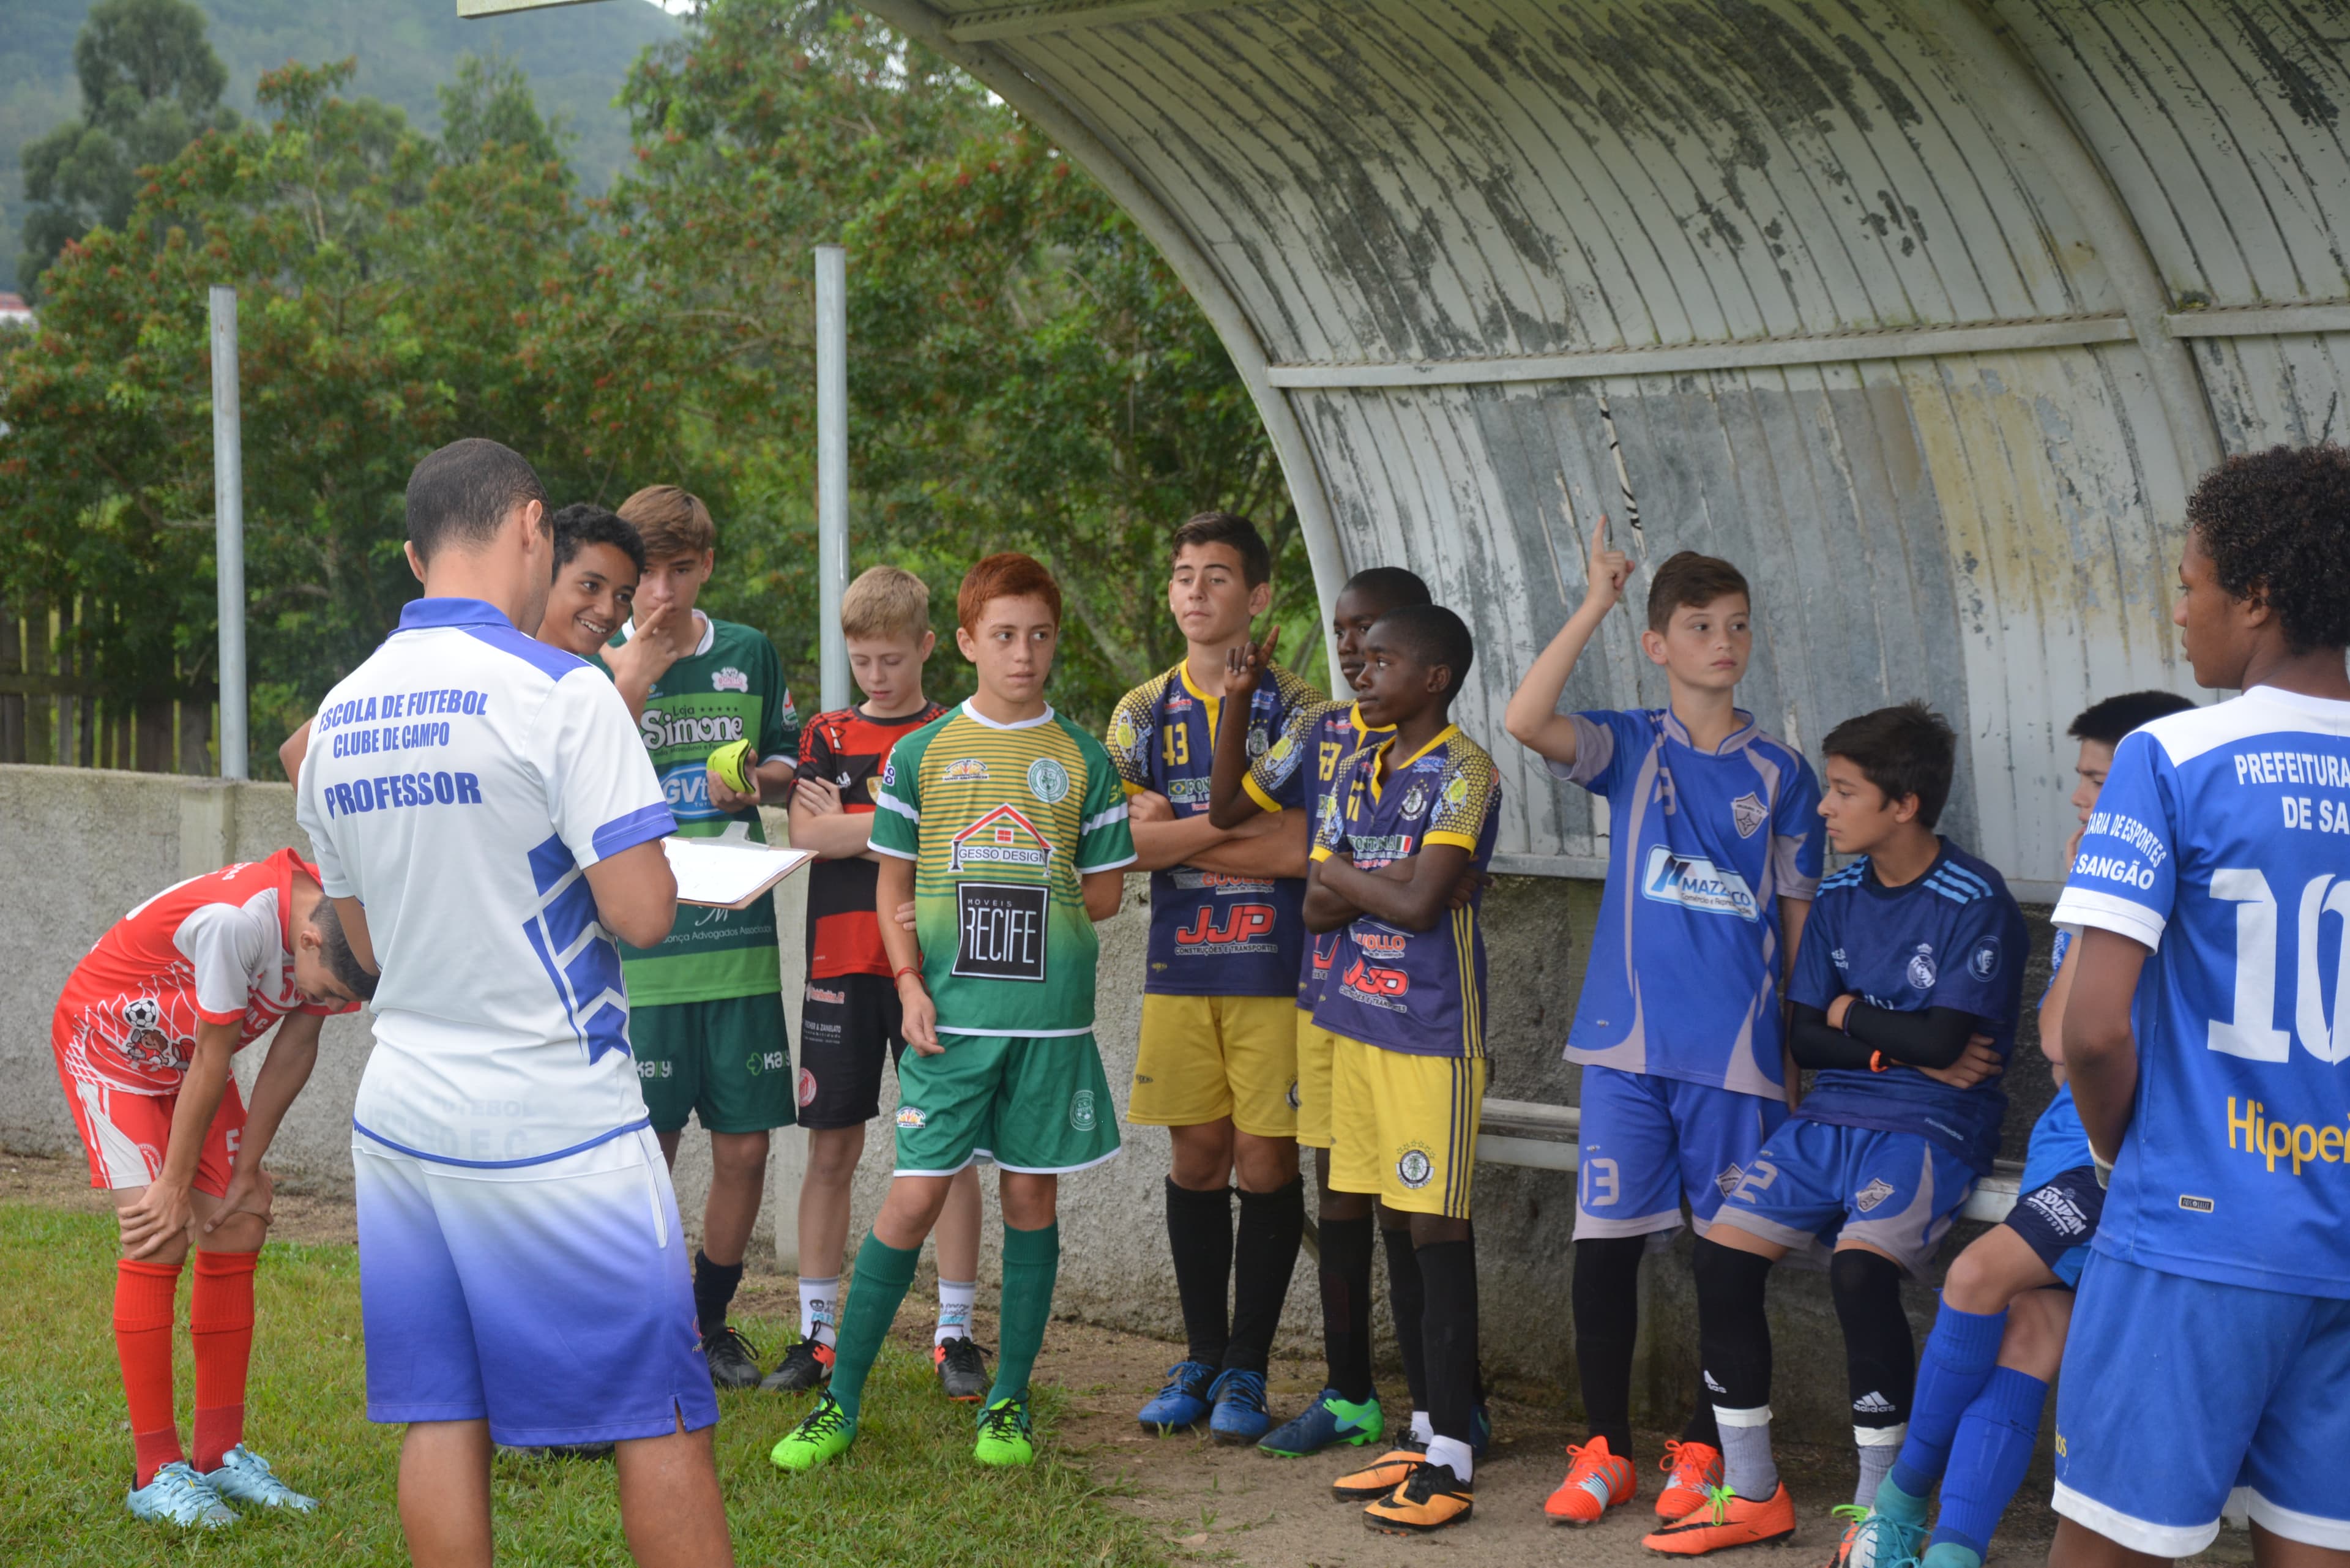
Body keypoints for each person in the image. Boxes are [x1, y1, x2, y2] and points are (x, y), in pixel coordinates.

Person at [295, 438, 733, 1567]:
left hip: (404, 1111)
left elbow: (363, 949)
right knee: (659, 1407)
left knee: (442, 1408)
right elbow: (643, 913)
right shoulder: (563, 691)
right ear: (534, 525)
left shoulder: (337, 715)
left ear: (415, 555)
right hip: (556, 1113)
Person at [2049, 445, 2350, 1568]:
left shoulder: (2170, 755)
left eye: (2191, 584)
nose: (2180, 613)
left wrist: (2123, 1154)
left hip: (2194, 1233)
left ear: (2257, 596)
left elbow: (2091, 1027)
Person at [769, 552, 1135, 1474]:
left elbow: (1103, 895)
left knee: (1030, 1196)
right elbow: (892, 881)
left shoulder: (1084, 757)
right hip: (949, 1019)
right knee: (914, 1194)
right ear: (967, 642)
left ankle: (1007, 1402)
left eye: (1040, 636)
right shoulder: (923, 753)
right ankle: (840, 1402)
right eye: (1004, 635)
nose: (1024, 654)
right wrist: (910, 982)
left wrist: (1025, 896)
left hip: (1049, 1025)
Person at [1646, 703, 2026, 1555]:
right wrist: (1891, 1041)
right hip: (1830, 1114)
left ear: (1905, 805)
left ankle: (1877, 1511)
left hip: (1932, 1123)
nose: (1824, 806)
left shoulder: (1976, 899)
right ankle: (1753, 1492)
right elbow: (1805, 1036)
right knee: (1720, 1257)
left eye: (1846, 791)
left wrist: (1854, 1017)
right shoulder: (1842, 892)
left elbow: (1947, 1045)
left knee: (1860, 1274)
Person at [1502, 521, 1823, 1527]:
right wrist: (1596, 600)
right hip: (1626, 1050)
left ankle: (1703, 1448)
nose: (1723, 641)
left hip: (1737, 1057)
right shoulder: (1632, 744)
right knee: (1605, 1249)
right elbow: (1524, 718)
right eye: (1699, 625)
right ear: (1657, 644)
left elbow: (1798, 921)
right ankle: (1605, 1452)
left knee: (1727, 1264)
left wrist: (1795, 1047)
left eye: (1737, 624)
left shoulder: (1783, 771)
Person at [1834, 690, 2191, 1568]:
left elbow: (2070, 1046)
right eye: (2082, 776)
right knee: (2031, 1329)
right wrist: (2083, 894)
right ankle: (1953, 1551)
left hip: (2128, 1156)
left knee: (1976, 1275)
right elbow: (2057, 1045)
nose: (2080, 796)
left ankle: (1900, 1502)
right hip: (2069, 1145)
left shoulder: (2178, 888)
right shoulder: (2102, 876)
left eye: (2099, 781)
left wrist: (2097, 899)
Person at [51, 850, 371, 1529]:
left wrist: (248, 1169)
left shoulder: (347, 918)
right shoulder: (237, 924)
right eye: (327, 992)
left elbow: (296, 1046)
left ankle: (219, 1453)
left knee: (239, 1221)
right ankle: (154, 1472)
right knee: (159, 1231)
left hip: (187, 1057)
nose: (328, 1005)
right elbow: (214, 1055)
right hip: (110, 1045)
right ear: (307, 940)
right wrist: (172, 1184)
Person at [1203, 565, 1436, 1458]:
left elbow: (1414, 888)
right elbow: (1229, 807)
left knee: (1411, 1207)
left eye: (1366, 629)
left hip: (1409, 1012)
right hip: (1327, 1000)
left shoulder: (1444, 759)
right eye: (1341, 631)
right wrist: (1238, 699)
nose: (1349, 647)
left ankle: (1444, 1404)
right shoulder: (1321, 729)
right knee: (1340, 1194)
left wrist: (1339, 876)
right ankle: (1349, 1395)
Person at [1108, 511, 1318, 1443]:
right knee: (1196, 1157)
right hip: (1180, 965)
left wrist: (1177, 835)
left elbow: (1302, 846)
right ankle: (1199, 1357)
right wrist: (1235, 835)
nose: (1195, 590)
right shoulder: (1139, 711)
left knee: (1266, 1160)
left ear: (1258, 596)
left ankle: (1247, 1368)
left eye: (1218, 576)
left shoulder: (1303, 710)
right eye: (1183, 574)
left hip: (1275, 967)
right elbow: (1121, 845)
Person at [763, 565, 989, 1402]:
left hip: (933, 966)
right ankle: (816, 1336)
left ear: (928, 647)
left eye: (892, 659)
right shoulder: (825, 733)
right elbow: (808, 836)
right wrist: (895, 824)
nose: (877, 675)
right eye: (862, 660)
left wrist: (851, 823)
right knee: (831, 1148)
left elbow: (950, 836)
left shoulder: (955, 732)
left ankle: (955, 1333)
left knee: (948, 1150)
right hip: (839, 963)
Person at [1300, 603, 1501, 1534]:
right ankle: (1422, 1431)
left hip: (1430, 1030)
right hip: (1354, 1019)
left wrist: (1356, 878)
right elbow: (1314, 904)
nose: (1362, 673)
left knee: (1436, 1229)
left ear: (1434, 678)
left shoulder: (1466, 770)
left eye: (1382, 661)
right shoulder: (1355, 763)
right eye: (1362, 659)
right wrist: (1383, 879)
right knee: (1391, 1219)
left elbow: (1421, 911)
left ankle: (1455, 1455)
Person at [608, 483, 801, 1388]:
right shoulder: (594, 664)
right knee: (648, 1150)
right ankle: (645, 1321)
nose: (662, 591)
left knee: (746, 1146)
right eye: (646, 572)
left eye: (680, 569)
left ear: (707, 566)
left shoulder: (748, 652)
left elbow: (787, 760)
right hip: (644, 951)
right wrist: (633, 679)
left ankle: (710, 1320)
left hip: (738, 936)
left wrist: (756, 780)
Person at [274, 501, 675, 785]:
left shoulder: (577, 678)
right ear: (545, 570)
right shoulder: (474, 656)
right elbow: (298, 753)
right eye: (590, 586)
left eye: (623, 596)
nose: (607, 610)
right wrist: (349, 866)